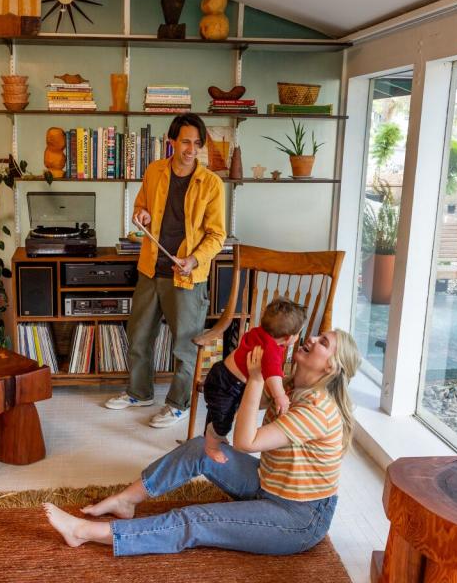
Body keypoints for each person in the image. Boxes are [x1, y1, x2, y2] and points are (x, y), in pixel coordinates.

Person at [45, 329, 360, 556]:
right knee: (201, 448)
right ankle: (126, 501)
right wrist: (258, 364)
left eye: (323, 342)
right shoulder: (293, 387)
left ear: (331, 367)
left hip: (299, 519)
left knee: (197, 520)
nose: (312, 338)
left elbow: (246, 441)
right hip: (269, 484)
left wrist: (257, 378)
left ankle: (86, 532)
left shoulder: (317, 409)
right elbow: (242, 406)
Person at [104, 113, 226, 428]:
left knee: (185, 344)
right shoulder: (154, 171)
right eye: (185, 141)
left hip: (186, 275)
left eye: (197, 143)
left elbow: (217, 235)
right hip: (150, 268)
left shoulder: (211, 183)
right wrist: (140, 215)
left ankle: (178, 404)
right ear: (171, 141)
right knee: (139, 334)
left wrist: (194, 260)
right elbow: (140, 207)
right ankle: (139, 392)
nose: (191, 149)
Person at [203, 298, 306, 464]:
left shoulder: (260, 332)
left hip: (223, 374)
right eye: (298, 333)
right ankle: (211, 447)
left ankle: (216, 436)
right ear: (288, 337)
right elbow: (273, 376)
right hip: (226, 385)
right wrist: (280, 396)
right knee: (222, 421)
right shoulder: (272, 350)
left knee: (224, 414)